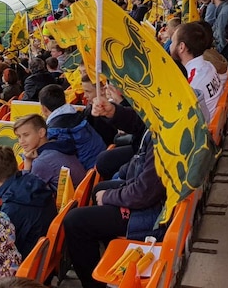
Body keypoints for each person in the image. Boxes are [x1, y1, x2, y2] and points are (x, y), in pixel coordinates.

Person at [63, 122, 166, 288]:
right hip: (151, 203)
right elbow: (139, 165)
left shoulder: (161, 139)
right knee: (99, 189)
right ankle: (110, 258)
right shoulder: (157, 129)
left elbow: (143, 193)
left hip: (153, 214)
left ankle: (94, 284)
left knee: (74, 221)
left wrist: (110, 196)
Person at [0, 145, 57, 258]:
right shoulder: (33, 180)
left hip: (27, 259)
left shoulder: (11, 209)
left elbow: (1, 244)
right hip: (43, 253)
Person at [40, 84, 106, 170]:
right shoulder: (81, 116)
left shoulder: (53, 133)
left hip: (89, 172)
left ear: (44, 109)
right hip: (101, 162)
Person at [13, 113, 85, 191]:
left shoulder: (42, 162)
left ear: (41, 133)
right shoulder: (57, 145)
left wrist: (27, 163)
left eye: (26, 135)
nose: (21, 141)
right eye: (19, 137)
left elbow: (25, 193)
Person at [170, 22, 224, 122]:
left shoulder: (193, 81)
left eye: (172, 42)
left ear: (181, 47)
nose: (170, 45)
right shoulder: (209, 66)